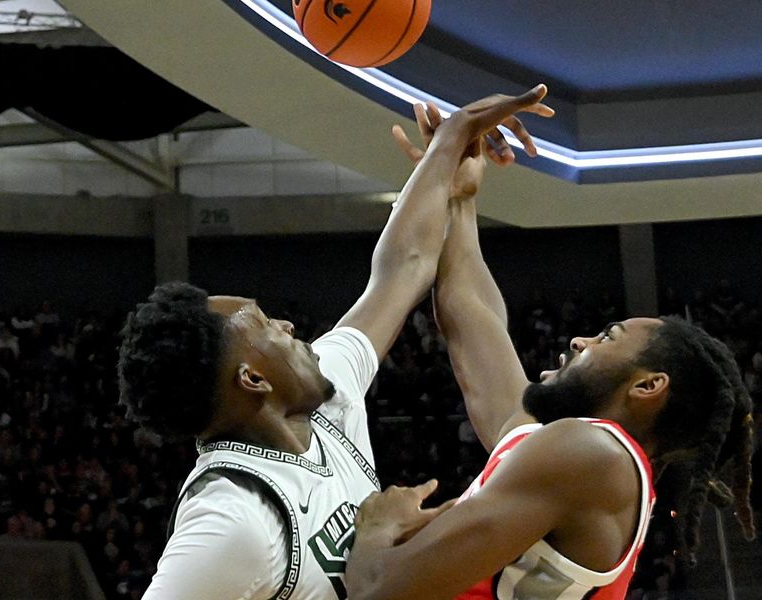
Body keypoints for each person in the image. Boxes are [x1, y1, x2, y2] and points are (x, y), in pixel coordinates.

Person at [117, 85, 554, 600]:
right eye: (263, 325)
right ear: (254, 379)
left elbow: (402, 268)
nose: (286, 326)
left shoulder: (322, 393)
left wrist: (449, 155)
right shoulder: (231, 520)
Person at [346, 102, 757, 600]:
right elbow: (467, 311)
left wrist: (376, 529)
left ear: (648, 386)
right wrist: (456, 193)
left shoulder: (593, 456)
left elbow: (376, 590)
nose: (577, 341)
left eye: (604, 338)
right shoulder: (573, 453)